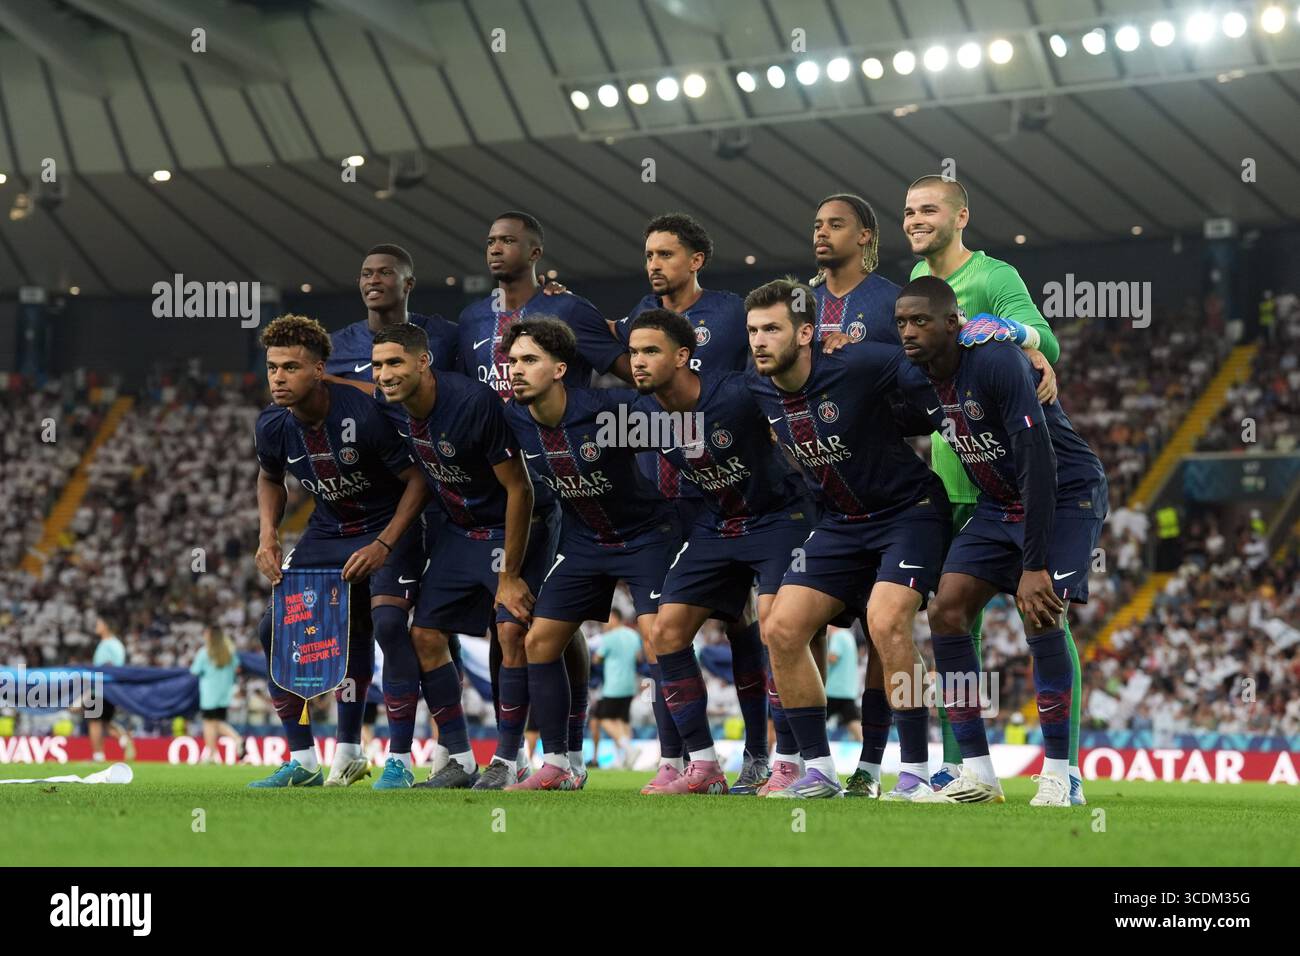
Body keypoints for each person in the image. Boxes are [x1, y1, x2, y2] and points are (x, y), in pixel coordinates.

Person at [901, 175, 1085, 802]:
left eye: (929, 209)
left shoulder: (993, 277)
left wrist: (1010, 338)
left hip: (1034, 479)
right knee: (950, 613)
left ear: (961, 217)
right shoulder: (913, 300)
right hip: (965, 481)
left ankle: (1062, 772)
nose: (916, 219)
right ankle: (970, 772)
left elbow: (1047, 341)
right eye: (909, 211)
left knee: (1041, 612)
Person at [746, 277, 951, 800]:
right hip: (840, 524)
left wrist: (1025, 352)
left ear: (807, 333)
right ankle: (819, 772)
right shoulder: (754, 385)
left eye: (773, 329)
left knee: (886, 622)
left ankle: (916, 776)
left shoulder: (857, 365)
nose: (760, 341)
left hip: (910, 511)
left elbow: (935, 369)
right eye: (753, 331)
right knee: (782, 627)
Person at [458, 211, 627, 785]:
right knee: (525, 627)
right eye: (490, 239)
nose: (496, 248)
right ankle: (541, 754)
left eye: (508, 240)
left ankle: (540, 753)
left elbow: (628, 364)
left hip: (563, 487)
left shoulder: (570, 310)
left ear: (536, 251)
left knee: (530, 626)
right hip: (499, 486)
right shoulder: (471, 320)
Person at [609, 213, 772, 793]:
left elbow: (764, 372)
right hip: (661, 494)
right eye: (649, 254)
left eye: (666, 254)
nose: (654, 264)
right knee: (661, 628)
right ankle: (677, 758)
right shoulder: (638, 318)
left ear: (696, 259)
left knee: (742, 621)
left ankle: (758, 752)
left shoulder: (730, 313)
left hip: (725, 491)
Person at [626, 308, 814, 794]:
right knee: (665, 632)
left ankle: (788, 763)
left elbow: (798, 391)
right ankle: (705, 769)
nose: (638, 362)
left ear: (683, 356)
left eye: (651, 351)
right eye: (632, 352)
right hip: (715, 525)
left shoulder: (737, 392)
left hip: (780, 518)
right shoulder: (641, 414)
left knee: (776, 626)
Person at [250, 314, 430, 789]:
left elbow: (417, 481)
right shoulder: (272, 424)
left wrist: (384, 543)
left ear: (319, 370)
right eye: (272, 367)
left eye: (290, 367)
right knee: (273, 629)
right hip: (329, 530)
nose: (278, 377)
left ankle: (399, 759)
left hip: (390, 525)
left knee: (388, 626)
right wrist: (268, 534)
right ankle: (307, 759)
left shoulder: (363, 412)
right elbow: (270, 478)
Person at [372, 322, 554, 790]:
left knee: (511, 629)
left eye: (395, 363)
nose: (385, 374)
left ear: (423, 362)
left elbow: (521, 488)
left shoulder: (472, 403)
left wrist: (510, 574)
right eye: (377, 365)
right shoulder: (386, 407)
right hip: (459, 528)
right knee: (426, 635)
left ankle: (510, 760)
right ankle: (459, 757)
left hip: (511, 523)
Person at [498, 319, 678, 791]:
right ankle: (558, 763)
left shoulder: (609, 412)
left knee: (660, 640)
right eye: (513, 361)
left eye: (529, 360)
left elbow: (688, 430)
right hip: (583, 542)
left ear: (560, 369)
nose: (516, 370)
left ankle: (678, 763)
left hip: (644, 535)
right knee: (538, 641)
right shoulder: (513, 418)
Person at [591, 609, 642, 769]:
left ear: (614, 618)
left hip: (613, 685)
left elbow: (597, 658)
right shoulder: (634, 635)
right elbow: (639, 657)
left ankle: (629, 750)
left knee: (604, 719)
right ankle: (623, 760)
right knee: (622, 721)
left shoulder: (609, 638)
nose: (604, 624)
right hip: (629, 684)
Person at [191, 627, 244, 763]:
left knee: (209, 723)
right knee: (215, 722)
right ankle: (212, 755)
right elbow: (237, 668)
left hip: (209, 694)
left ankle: (233, 740)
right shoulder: (229, 652)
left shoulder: (204, 652)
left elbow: (195, 670)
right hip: (224, 694)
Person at [88, 615, 135, 763]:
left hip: (101, 687)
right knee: (104, 722)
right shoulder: (110, 644)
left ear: (106, 626)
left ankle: (98, 755)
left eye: (99, 623)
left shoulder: (111, 645)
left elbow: (116, 666)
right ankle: (123, 739)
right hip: (107, 689)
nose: (96, 625)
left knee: (94, 721)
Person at [824, 627, 862, 743]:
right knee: (853, 721)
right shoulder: (848, 636)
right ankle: (865, 749)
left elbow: (833, 657)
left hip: (834, 689)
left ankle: (808, 751)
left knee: (815, 721)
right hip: (847, 689)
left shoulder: (838, 636)